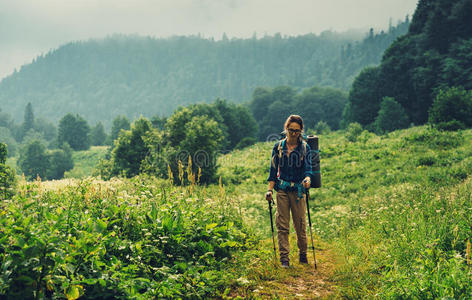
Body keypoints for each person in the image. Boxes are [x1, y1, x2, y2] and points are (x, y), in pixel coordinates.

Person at [266, 115, 313, 267]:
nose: (293, 133)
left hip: (298, 190)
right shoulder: (278, 147)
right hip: (282, 190)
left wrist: (308, 180)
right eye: (291, 130)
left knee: (300, 224)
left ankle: (303, 253)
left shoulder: (305, 148)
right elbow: (273, 171)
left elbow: (308, 169)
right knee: (282, 225)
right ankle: (284, 258)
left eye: (297, 131)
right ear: (286, 129)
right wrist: (269, 191)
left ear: (301, 131)